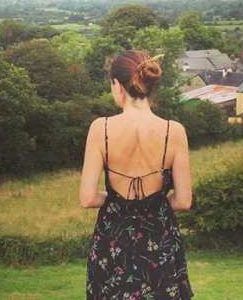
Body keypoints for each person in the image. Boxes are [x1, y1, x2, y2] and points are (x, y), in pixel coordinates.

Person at [80, 49, 194, 299]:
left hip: (113, 242)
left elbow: (87, 198)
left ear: (117, 85)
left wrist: (118, 203)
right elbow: (183, 201)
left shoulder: (100, 129)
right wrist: (153, 205)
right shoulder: (174, 131)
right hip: (159, 243)